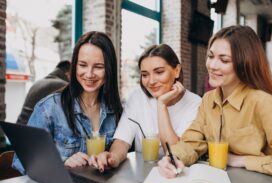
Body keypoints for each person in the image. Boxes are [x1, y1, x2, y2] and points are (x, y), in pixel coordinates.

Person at [158, 25, 272, 183]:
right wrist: (174, 158)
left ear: (244, 63)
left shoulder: (263, 103)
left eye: (224, 60)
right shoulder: (208, 100)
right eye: (211, 56)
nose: (212, 65)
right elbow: (192, 142)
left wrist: (242, 160)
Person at [12, 31, 123, 174]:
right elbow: (21, 161)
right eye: (83, 65)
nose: (89, 74)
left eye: (98, 67)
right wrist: (62, 163)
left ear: (109, 70)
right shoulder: (50, 108)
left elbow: (122, 154)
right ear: (74, 66)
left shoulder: (114, 110)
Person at [91, 44, 201, 171]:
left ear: (176, 71)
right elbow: (122, 140)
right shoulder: (137, 97)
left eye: (159, 72)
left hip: (177, 176)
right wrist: (113, 157)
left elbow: (175, 155)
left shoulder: (195, 103)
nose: (151, 81)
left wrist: (162, 105)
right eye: (145, 75)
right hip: (142, 177)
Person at [17, 60, 71, 125]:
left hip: (19, 128)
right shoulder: (63, 86)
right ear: (68, 74)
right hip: (36, 132)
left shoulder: (37, 83)